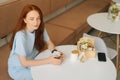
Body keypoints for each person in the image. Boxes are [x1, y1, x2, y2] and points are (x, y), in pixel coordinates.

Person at [8, 4, 64, 80]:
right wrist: (49, 60)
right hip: (19, 68)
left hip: (33, 59)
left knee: (54, 68)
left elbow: (49, 43)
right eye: (32, 19)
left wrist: (56, 53)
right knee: (45, 75)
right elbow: (24, 63)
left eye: (38, 18)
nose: (36, 22)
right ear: (25, 20)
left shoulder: (40, 28)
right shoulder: (20, 36)